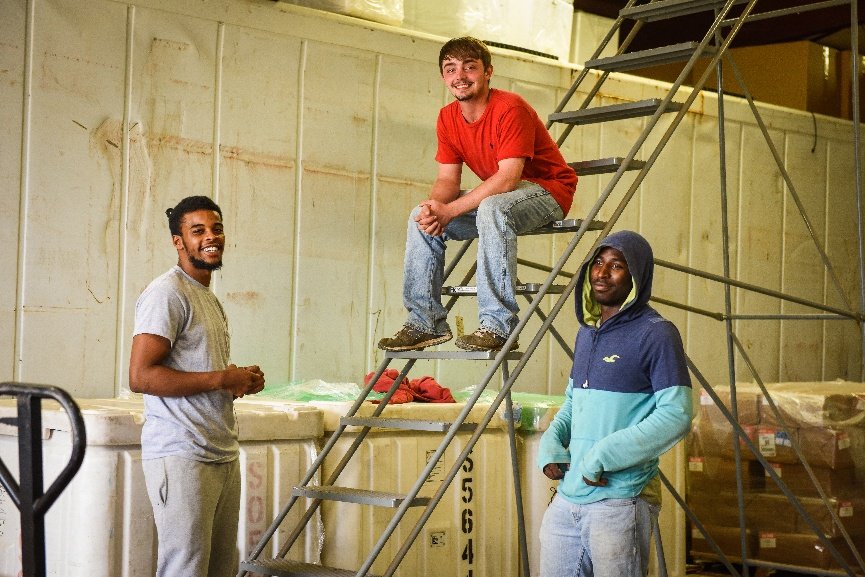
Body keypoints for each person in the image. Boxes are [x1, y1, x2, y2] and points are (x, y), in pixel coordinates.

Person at [378, 36, 577, 352]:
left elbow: (508, 178)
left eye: (470, 67)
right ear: (443, 77)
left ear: (488, 72)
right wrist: (434, 208)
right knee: (419, 217)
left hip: (547, 192)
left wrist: (450, 211)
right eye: (450, 68)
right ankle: (424, 322)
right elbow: (447, 179)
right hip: (502, 197)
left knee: (493, 209)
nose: (460, 76)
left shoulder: (510, 108)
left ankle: (499, 328)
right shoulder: (447, 117)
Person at [537, 230, 693, 577]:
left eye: (617, 266)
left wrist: (602, 456)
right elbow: (574, 401)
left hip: (622, 499)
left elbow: (677, 414)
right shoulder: (587, 333)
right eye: (598, 262)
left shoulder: (657, 333)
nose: (602, 273)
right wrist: (551, 441)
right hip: (569, 495)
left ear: (637, 276)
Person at [129, 195, 266, 577]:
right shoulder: (166, 293)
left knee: (220, 568)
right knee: (185, 569)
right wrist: (223, 378)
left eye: (216, 228)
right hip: (181, 452)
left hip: (221, 453)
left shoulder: (207, 297)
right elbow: (141, 376)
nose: (211, 237)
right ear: (178, 241)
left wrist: (237, 379)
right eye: (198, 230)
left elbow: (198, 372)